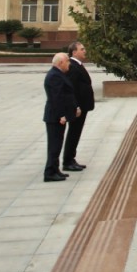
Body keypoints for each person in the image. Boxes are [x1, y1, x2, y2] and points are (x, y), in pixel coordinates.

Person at [42, 52, 78, 182]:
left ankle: (55, 170)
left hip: (58, 115)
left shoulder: (58, 74)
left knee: (57, 144)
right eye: (68, 61)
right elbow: (56, 98)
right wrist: (62, 115)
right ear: (61, 62)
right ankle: (49, 172)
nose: (69, 64)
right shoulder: (54, 76)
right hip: (55, 116)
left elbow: (66, 95)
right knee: (54, 145)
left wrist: (74, 108)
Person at [62, 41, 94, 173]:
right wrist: (76, 106)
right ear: (74, 52)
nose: (84, 51)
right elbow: (71, 88)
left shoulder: (77, 65)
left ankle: (71, 159)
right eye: (82, 49)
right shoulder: (73, 66)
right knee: (73, 133)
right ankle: (68, 161)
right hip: (77, 108)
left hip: (82, 106)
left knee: (76, 133)